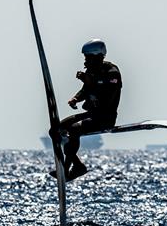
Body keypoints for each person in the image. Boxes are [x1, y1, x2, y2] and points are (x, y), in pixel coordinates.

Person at [51, 39, 122, 180]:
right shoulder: (92, 71)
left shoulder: (112, 73)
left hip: (105, 117)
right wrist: (76, 98)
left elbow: (106, 95)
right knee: (55, 130)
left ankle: (66, 169)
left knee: (74, 129)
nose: (86, 62)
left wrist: (91, 82)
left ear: (98, 57)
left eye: (88, 58)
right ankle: (78, 166)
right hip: (91, 114)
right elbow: (86, 89)